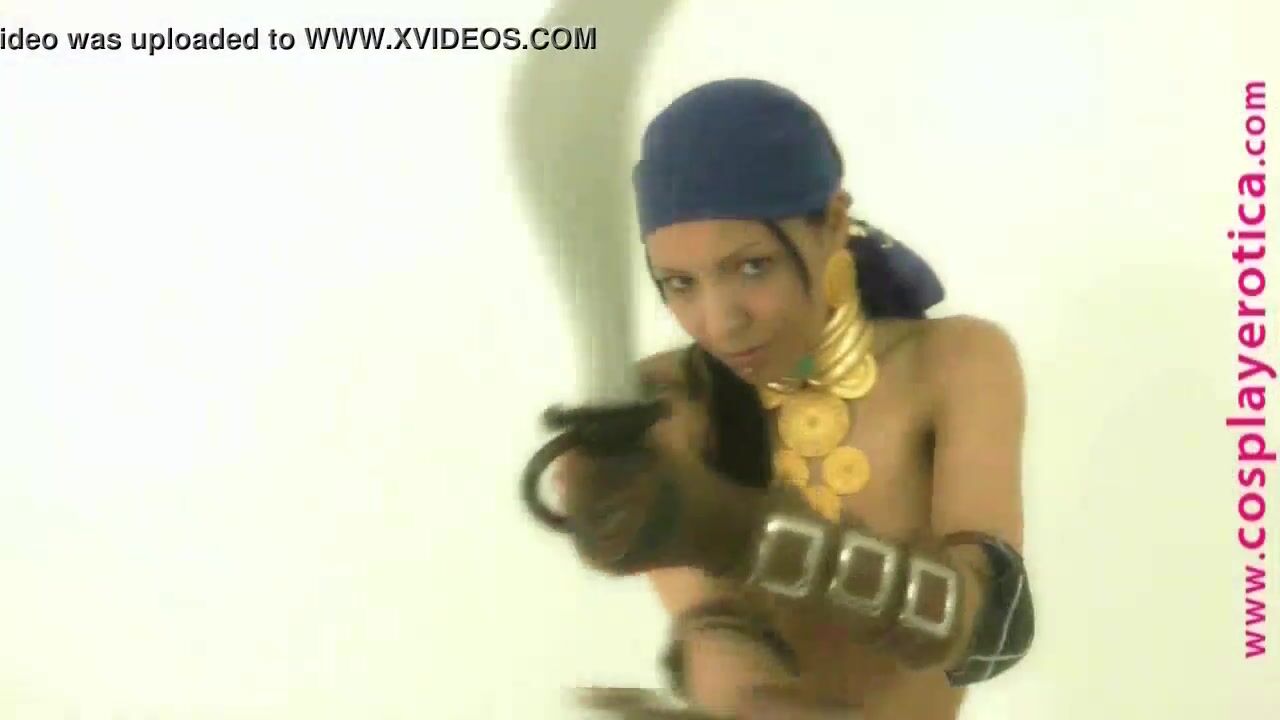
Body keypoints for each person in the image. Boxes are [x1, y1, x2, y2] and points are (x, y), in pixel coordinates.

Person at [552, 78, 1035, 720]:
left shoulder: (953, 363)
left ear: (833, 222)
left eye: (752, 267)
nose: (721, 322)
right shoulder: (668, 403)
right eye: (680, 283)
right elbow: (722, 653)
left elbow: (990, 625)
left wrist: (733, 532)